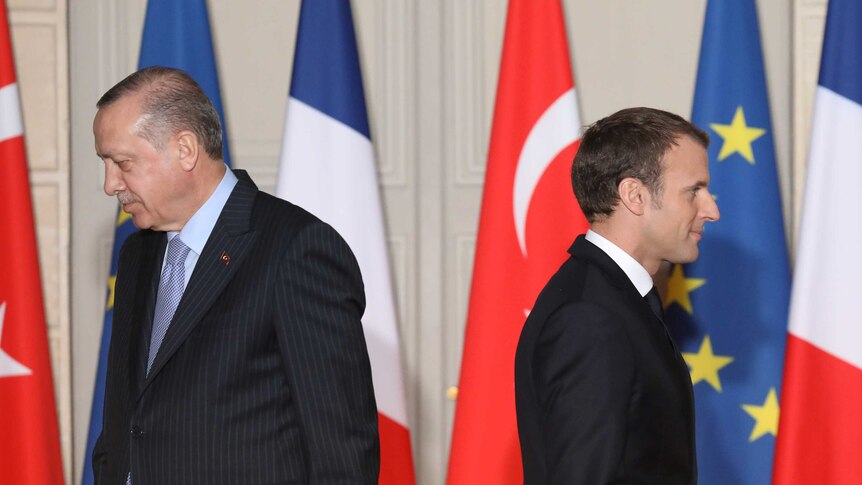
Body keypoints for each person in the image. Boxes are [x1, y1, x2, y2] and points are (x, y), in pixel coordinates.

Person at [91, 66, 379, 484]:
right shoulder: (137, 254)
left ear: (185, 150)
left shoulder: (296, 249)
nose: (110, 184)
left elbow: (343, 453)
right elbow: (123, 424)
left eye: (122, 163)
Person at [515, 107, 720, 484]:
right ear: (635, 195)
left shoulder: (616, 298)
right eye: (694, 191)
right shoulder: (590, 317)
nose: (712, 210)